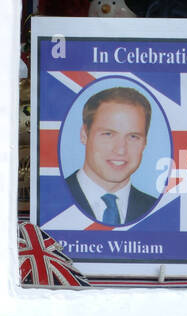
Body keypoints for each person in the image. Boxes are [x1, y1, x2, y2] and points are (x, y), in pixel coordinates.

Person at [66, 86, 158, 225]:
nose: (121, 150)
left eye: (133, 136)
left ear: (144, 142)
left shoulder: (156, 210)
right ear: (84, 135)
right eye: (108, 134)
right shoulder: (53, 198)